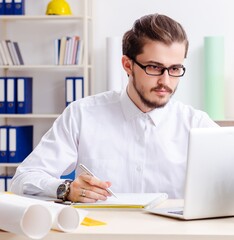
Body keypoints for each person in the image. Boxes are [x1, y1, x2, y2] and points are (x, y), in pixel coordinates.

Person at [10, 13, 218, 202]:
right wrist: (66, 189)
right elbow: (23, 179)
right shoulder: (82, 114)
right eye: (154, 67)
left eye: (174, 69)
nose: (166, 81)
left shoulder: (196, 124)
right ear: (128, 65)